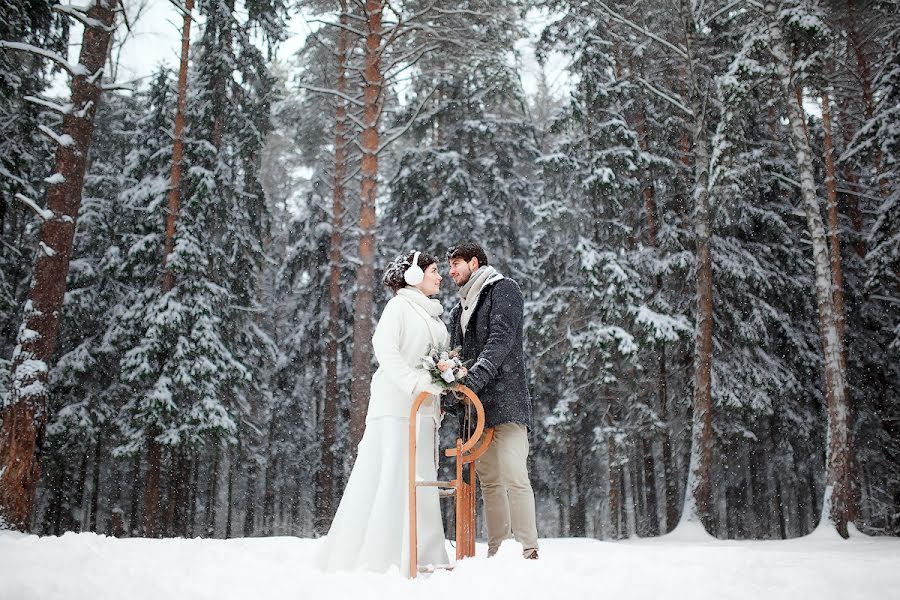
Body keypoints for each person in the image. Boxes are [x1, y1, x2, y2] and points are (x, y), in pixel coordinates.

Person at [318, 251, 450, 575]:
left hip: (425, 413)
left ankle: (424, 554)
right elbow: (384, 348)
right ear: (415, 276)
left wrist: (445, 379)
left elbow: (436, 362)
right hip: (395, 409)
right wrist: (413, 383)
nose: (440, 276)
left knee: (421, 479)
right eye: (434, 270)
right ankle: (381, 557)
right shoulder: (399, 307)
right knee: (392, 478)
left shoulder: (434, 317)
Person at [447, 241, 539, 560]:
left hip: (508, 400)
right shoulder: (459, 309)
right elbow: (456, 357)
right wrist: (454, 390)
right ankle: (498, 550)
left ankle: (529, 549)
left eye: (456, 263)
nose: (451, 270)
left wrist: (475, 378)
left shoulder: (503, 289)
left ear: (475, 262)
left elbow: (501, 339)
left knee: (514, 473)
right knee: (489, 481)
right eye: (448, 266)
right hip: (477, 409)